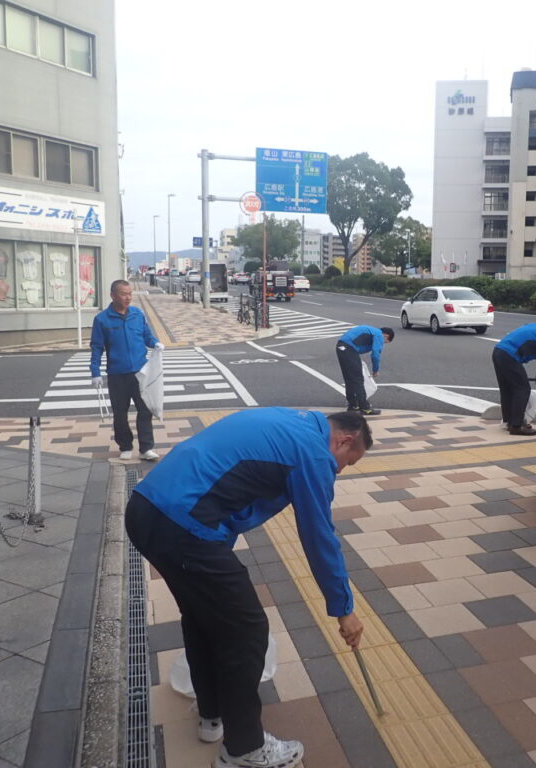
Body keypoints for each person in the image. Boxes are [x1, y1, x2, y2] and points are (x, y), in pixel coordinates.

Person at [125, 408, 370, 768]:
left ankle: (213, 715)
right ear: (344, 440)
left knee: (203, 616)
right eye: (348, 462)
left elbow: (237, 485)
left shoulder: (290, 422)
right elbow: (319, 536)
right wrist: (344, 609)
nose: (340, 470)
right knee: (248, 631)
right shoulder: (314, 453)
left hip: (147, 509)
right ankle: (245, 749)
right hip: (182, 524)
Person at [90, 279, 164, 461]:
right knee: (120, 413)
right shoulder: (102, 320)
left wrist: (155, 343)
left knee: (145, 409)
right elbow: (97, 347)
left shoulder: (137, 314)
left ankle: (146, 448)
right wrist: (95, 372)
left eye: (130, 293)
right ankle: (125, 445)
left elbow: (146, 336)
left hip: (140, 372)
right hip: (117, 374)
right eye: (124, 294)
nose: (128, 297)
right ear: (113, 295)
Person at [335, 325, 394, 416]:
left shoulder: (371, 331)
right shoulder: (378, 334)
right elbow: (375, 354)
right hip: (348, 349)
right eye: (385, 342)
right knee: (358, 380)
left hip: (341, 347)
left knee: (350, 379)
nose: (382, 344)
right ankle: (365, 408)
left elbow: (359, 346)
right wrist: (375, 370)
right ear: (385, 336)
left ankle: (353, 406)